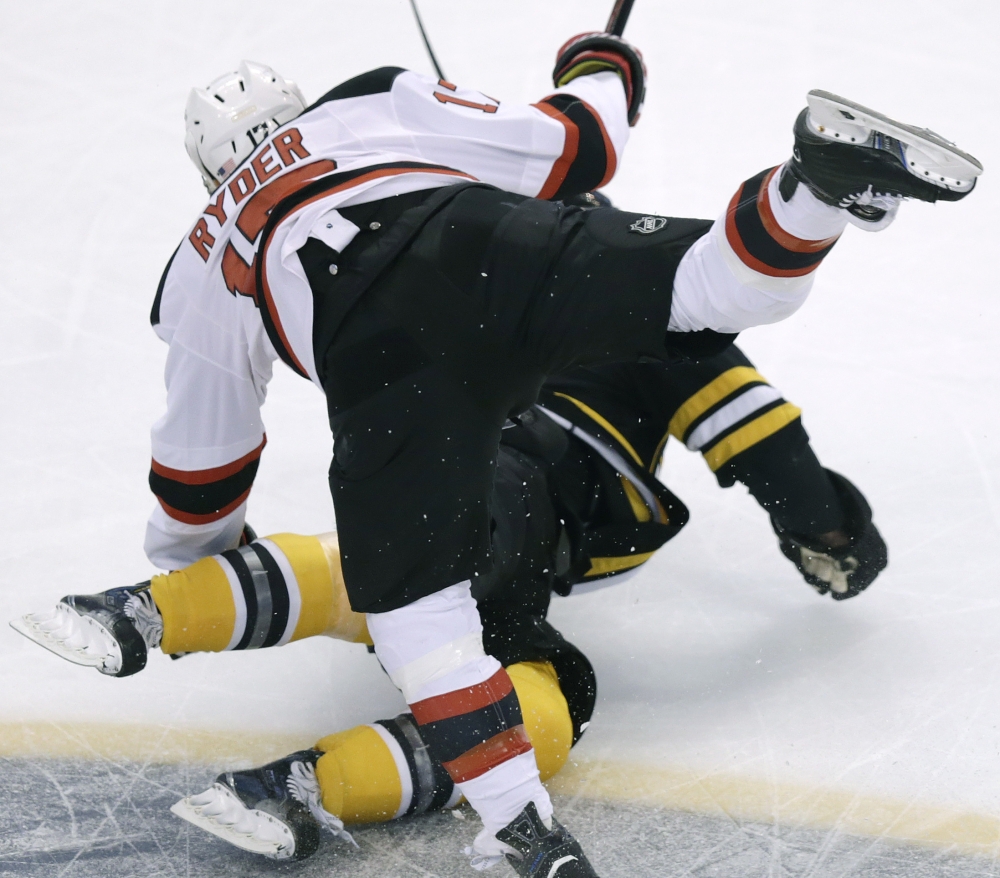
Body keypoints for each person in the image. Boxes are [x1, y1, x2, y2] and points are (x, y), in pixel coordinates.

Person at [12, 34, 981, 874]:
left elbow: (202, 457)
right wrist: (832, 528)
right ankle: (815, 184)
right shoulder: (408, 136)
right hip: (493, 315)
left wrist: (194, 555)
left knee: (409, 611)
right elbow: (581, 150)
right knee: (723, 285)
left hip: (399, 387)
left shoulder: (205, 249)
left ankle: (154, 626)